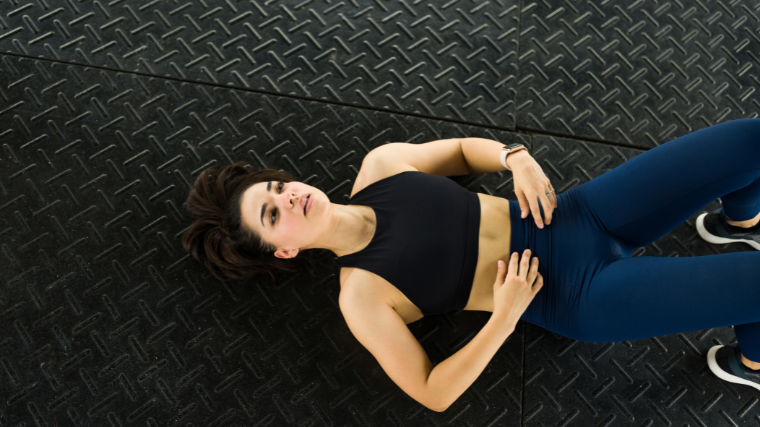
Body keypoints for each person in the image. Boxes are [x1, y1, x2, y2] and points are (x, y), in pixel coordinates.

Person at [182, 118, 760, 412]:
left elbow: (460, 153)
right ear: (283, 249)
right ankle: (752, 358)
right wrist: (504, 318)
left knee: (747, 142)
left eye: (278, 187)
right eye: (273, 213)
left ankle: (742, 218)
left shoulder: (381, 167)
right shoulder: (362, 297)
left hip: (578, 213)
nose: (288, 197)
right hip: (574, 293)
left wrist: (516, 157)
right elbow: (432, 391)